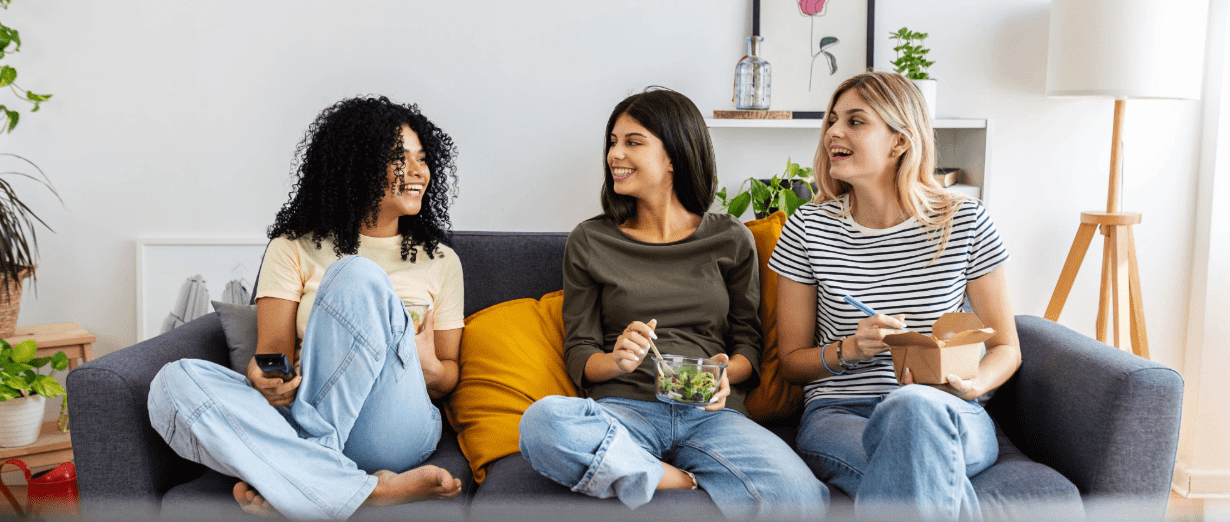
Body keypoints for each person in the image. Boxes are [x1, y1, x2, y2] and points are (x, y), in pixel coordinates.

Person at [517, 87, 829, 521]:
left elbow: (749, 346)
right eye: (613, 141)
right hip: (624, 411)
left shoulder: (730, 239)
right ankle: (677, 478)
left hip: (710, 414)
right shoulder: (590, 240)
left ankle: (634, 475)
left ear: (674, 157)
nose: (614, 155)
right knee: (543, 423)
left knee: (802, 496)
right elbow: (580, 354)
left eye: (633, 142)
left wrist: (724, 376)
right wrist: (618, 361)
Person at [148, 96, 466, 520]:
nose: (417, 171)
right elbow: (271, 356)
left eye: (422, 159)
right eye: (398, 158)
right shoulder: (292, 247)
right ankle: (354, 488)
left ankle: (300, 471)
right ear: (357, 165)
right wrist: (263, 377)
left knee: (355, 275)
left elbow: (448, 377)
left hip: (393, 422)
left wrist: (429, 367)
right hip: (298, 409)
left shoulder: (440, 260)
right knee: (172, 382)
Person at [769, 72, 1020, 522]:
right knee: (920, 467)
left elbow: (1006, 347)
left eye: (855, 121)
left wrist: (973, 385)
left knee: (915, 405)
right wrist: (849, 349)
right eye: (832, 119)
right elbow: (790, 362)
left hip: (947, 410)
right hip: (840, 413)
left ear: (900, 141)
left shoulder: (964, 222)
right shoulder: (808, 227)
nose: (833, 132)